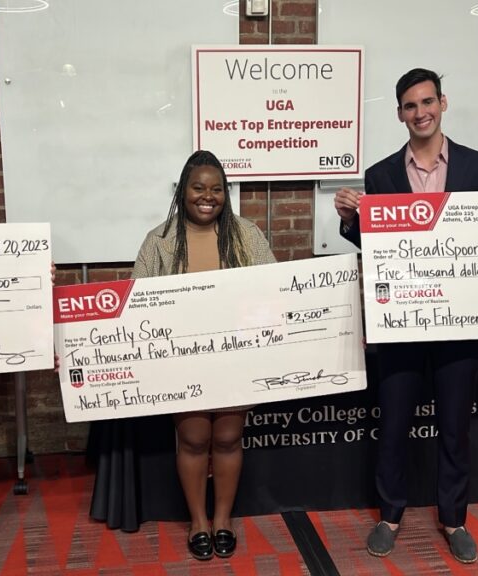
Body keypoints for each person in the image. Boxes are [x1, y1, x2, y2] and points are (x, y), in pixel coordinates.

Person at [334, 68, 478, 564]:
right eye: (410, 105)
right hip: (400, 322)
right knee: (395, 424)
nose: (420, 112)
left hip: (459, 321)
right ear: (400, 113)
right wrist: (350, 222)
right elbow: (376, 246)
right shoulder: (380, 175)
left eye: (428, 102)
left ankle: (454, 519)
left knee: (454, 428)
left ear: (443, 104)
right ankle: (390, 515)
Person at [132, 150, 275, 561]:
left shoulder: (247, 235)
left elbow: (271, 290)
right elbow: (137, 297)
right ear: (183, 191)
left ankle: (224, 519)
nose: (207, 196)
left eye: (216, 189)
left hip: (236, 357)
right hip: (184, 360)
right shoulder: (159, 240)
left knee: (228, 436)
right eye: (198, 188)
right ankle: (198, 521)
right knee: (194, 438)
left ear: (225, 194)